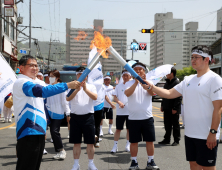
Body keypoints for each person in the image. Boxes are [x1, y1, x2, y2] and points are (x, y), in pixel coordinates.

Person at [144, 45, 222, 170]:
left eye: (196, 57)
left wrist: (213, 132)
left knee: (208, 167)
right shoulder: (188, 79)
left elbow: (218, 108)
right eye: (192, 57)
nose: (193, 60)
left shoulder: (214, 79)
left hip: (206, 134)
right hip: (190, 133)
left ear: (207, 59)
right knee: (193, 165)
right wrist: (152, 87)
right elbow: (169, 94)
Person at [13, 55, 80, 170]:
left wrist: (75, 84)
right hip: (28, 130)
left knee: (34, 166)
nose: (35, 68)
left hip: (38, 130)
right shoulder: (21, 82)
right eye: (31, 65)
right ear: (21, 68)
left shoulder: (35, 81)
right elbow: (43, 91)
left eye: (36, 65)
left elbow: (50, 88)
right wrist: (67, 85)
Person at [124, 62, 159, 170]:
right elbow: (127, 94)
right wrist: (136, 82)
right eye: (136, 70)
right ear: (132, 72)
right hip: (133, 118)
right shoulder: (129, 83)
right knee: (134, 141)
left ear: (144, 71)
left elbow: (152, 94)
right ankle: (134, 162)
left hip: (147, 117)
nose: (138, 71)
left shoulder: (150, 82)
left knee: (149, 140)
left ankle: (151, 161)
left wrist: (145, 85)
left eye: (140, 69)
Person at [66, 66, 98, 170]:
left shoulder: (91, 86)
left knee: (90, 142)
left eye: (84, 74)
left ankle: (91, 163)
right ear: (76, 75)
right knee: (76, 143)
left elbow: (95, 97)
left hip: (88, 117)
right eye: (79, 74)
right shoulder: (72, 86)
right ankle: (76, 164)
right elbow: (68, 98)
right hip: (75, 117)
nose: (82, 76)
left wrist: (85, 89)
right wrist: (76, 90)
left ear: (87, 76)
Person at [46, 70, 71, 160]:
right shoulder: (48, 87)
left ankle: (62, 150)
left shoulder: (60, 88)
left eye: (52, 76)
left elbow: (65, 102)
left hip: (58, 113)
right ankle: (58, 151)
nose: (50, 78)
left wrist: (67, 113)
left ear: (57, 78)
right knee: (52, 133)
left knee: (54, 132)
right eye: (49, 76)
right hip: (49, 113)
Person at [159, 67, 182, 146]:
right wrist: (162, 105)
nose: (166, 75)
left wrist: (175, 108)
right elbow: (164, 94)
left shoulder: (176, 83)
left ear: (172, 73)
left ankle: (176, 140)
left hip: (173, 108)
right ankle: (167, 139)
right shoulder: (167, 83)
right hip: (166, 106)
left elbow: (178, 97)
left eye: (167, 73)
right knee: (167, 124)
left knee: (175, 124)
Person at [111, 70, 131, 153]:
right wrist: (119, 102)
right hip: (120, 111)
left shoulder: (132, 85)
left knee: (129, 129)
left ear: (130, 76)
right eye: (124, 75)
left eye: (127, 75)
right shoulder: (119, 86)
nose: (125, 77)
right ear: (122, 76)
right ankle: (115, 146)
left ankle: (128, 145)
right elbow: (115, 97)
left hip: (130, 111)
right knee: (118, 129)